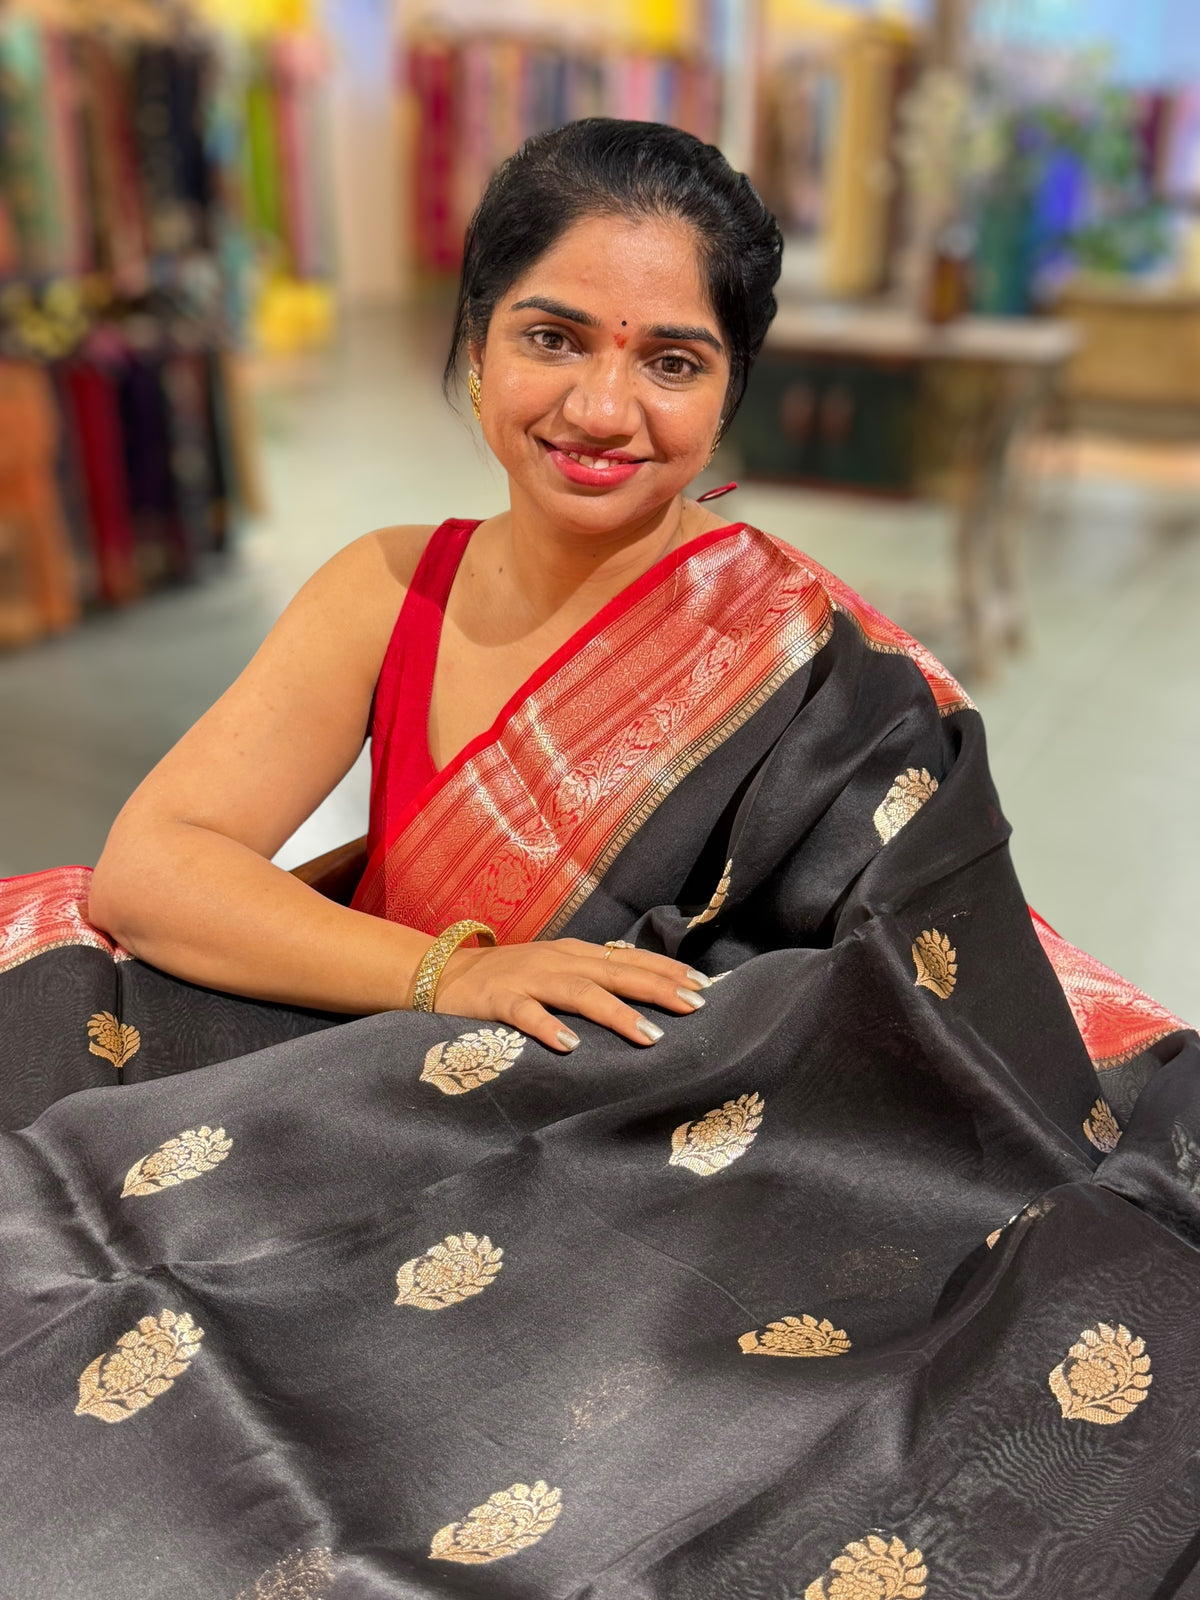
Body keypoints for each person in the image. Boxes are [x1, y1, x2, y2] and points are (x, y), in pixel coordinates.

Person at [0, 120, 1196, 1600]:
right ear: (477, 338)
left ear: (732, 385)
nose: (602, 406)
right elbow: (153, 867)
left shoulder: (800, 662)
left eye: (673, 361)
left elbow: (916, 973)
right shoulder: (390, 586)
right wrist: (454, 976)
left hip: (636, 1167)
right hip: (366, 1073)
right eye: (552, 337)